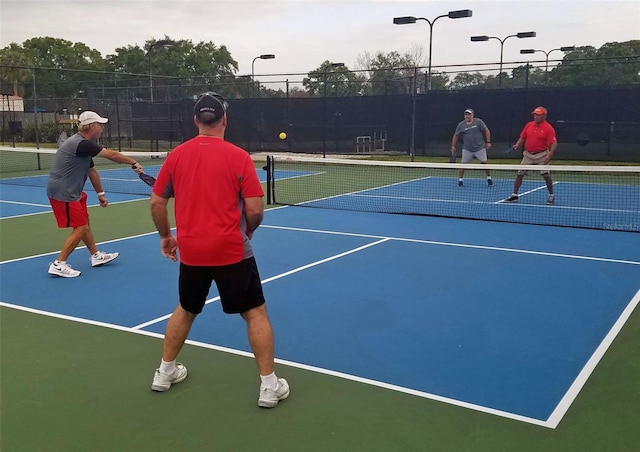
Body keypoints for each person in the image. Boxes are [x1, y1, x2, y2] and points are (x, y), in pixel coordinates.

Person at [149, 92, 289, 408]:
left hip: (193, 252)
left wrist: (165, 237)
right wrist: (248, 229)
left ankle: (164, 372)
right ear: (224, 120)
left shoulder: (176, 156)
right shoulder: (239, 157)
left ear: (196, 120)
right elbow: (255, 207)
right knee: (254, 313)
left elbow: (157, 202)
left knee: (186, 308)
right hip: (232, 251)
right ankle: (269, 386)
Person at [46, 111, 143, 278]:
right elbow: (112, 155)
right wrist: (133, 162)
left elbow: (91, 170)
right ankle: (59, 264)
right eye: (100, 125)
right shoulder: (82, 144)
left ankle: (96, 256)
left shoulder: (84, 146)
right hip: (63, 191)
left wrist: (101, 193)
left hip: (73, 190)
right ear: (91, 127)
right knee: (81, 227)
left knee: (85, 222)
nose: (102, 128)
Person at [504, 106, 558, 205]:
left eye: (538, 115)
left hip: (542, 154)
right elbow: (523, 137)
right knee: (519, 174)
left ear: (544, 116)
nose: (535, 117)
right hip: (528, 154)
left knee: (546, 175)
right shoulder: (529, 125)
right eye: (534, 115)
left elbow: (554, 143)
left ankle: (551, 195)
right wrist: (518, 144)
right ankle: (514, 195)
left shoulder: (548, 128)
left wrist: (549, 155)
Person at [450, 108, 493, 187]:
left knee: (484, 163)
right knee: (463, 165)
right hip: (467, 148)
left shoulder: (479, 122)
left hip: (479, 147)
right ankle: (460, 180)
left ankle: (489, 177)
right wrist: (453, 146)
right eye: (466, 114)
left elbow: (486, 130)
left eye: (469, 114)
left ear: (473, 115)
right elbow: (456, 135)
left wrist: (488, 142)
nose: (467, 116)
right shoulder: (461, 125)